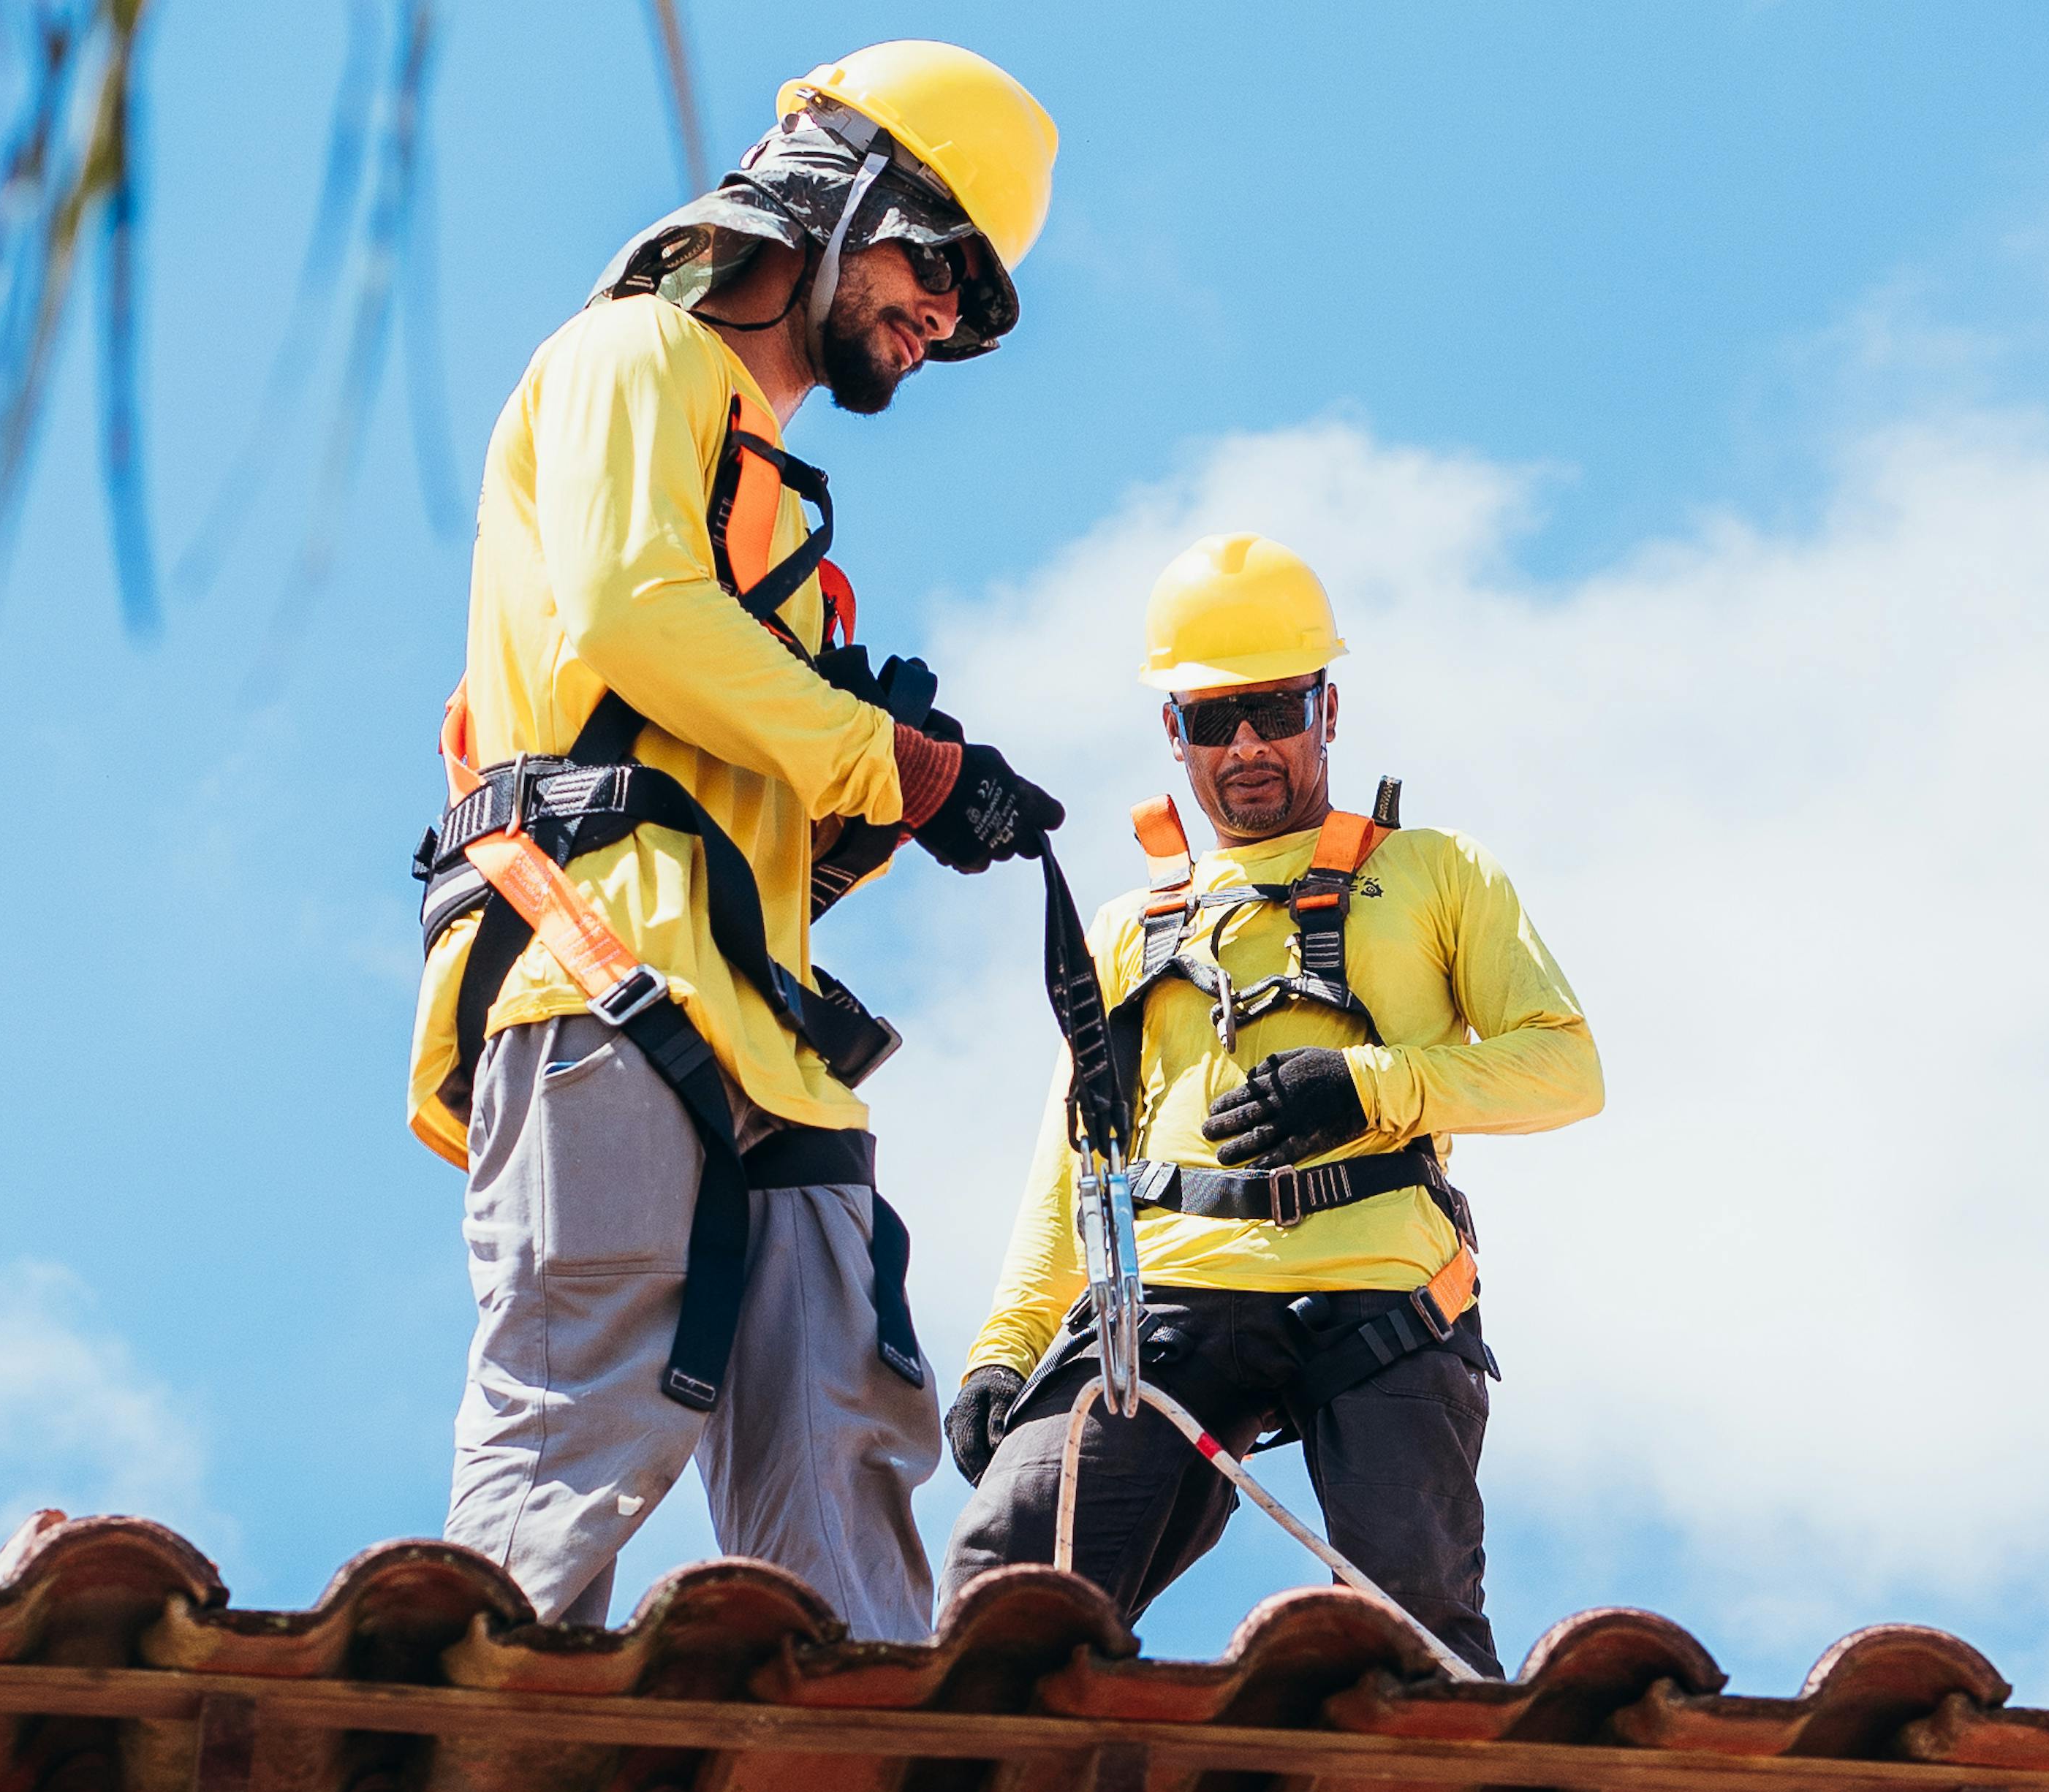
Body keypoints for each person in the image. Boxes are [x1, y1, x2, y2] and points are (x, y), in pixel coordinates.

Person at [407, 43, 1069, 1640]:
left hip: (760, 1026)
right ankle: (459, 1758)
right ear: (840, 198)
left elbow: (751, 790)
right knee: (585, 1401)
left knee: (843, 1438)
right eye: (937, 271)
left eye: (970, 312)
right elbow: (637, 617)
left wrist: (901, 794)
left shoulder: (782, 534)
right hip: (598, 959)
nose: (939, 324)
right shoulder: (632, 356)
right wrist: (874, 753)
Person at [933, 533, 1601, 1675]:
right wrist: (1008, 1346)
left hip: (1382, 1298)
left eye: (1277, 709)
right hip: (1171, 1296)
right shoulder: (1130, 929)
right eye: (1213, 718)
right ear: (1174, 734)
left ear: (1328, 709)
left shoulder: (1436, 873)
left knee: (1418, 1640)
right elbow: (1076, 1160)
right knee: (1008, 1583)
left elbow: (1564, 1070)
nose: (1247, 745)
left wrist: (1371, 1087)